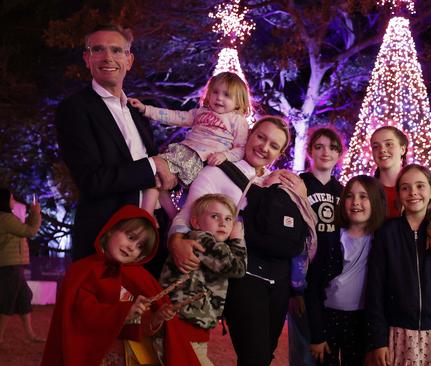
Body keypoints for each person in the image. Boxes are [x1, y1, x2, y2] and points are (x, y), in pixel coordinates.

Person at [167, 116, 312, 365]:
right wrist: (176, 240)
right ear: (250, 135)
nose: (264, 147)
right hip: (240, 276)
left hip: (277, 280)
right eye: (260, 137)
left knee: (265, 355)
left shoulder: (279, 181)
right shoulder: (217, 172)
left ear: (279, 153)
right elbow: (188, 213)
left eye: (274, 146)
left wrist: (302, 196)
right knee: (253, 356)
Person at [56, 24, 177, 266]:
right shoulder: (75, 109)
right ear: (87, 59)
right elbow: (92, 180)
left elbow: (156, 174)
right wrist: (153, 164)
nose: (108, 57)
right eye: (98, 49)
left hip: (151, 241)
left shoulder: (137, 111)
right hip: (107, 240)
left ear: (129, 60)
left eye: (116, 50)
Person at [41, 205, 199, 366]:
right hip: (96, 355)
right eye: (130, 237)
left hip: (129, 357)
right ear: (111, 230)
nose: (132, 248)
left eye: (140, 247)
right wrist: (124, 312)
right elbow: (82, 313)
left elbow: (143, 327)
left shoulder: (140, 278)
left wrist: (156, 318)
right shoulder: (83, 271)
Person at [366, 164, 431, 366]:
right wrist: (378, 340)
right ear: (398, 194)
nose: (413, 192)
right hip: (397, 333)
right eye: (405, 187)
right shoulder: (386, 233)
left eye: (420, 186)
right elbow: (375, 289)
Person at [129, 71, 251, 217]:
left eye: (227, 95)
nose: (219, 98)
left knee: (153, 169)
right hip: (184, 152)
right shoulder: (200, 112)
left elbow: (241, 149)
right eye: (215, 92)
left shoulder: (237, 120)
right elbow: (175, 116)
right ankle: (170, 215)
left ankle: (144, 216)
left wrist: (224, 155)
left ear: (238, 102)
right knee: (156, 180)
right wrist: (146, 109)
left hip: (201, 159)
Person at [305, 175, 386, 365]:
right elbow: (313, 288)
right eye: (349, 196)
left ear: (375, 200)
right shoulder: (330, 238)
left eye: (363, 196)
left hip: (362, 319)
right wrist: (317, 336)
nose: (355, 202)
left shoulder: (383, 238)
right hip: (328, 316)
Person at [158, 193, 247, 365]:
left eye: (229, 219)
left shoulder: (212, 243)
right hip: (183, 322)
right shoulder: (200, 239)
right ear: (196, 222)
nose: (223, 223)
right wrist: (237, 239)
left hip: (191, 323)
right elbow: (237, 268)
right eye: (215, 216)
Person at [288, 126, 345, 366]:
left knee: (327, 351)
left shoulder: (342, 191)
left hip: (331, 280)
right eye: (319, 146)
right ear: (310, 151)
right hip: (303, 278)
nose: (325, 152)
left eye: (332, 147)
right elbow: (289, 237)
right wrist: (293, 289)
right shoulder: (299, 184)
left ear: (339, 153)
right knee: (304, 353)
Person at [0, 189, 43, 344]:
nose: (14, 201)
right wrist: (36, 213)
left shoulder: (6, 217)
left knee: (24, 297)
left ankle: (30, 335)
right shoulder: (5, 218)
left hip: (12, 264)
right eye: (11, 198)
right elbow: (30, 231)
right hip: (9, 264)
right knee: (8, 300)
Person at [370, 126, 408, 218]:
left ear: (402, 149)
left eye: (389, 144)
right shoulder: (367, 190)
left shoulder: (418, 188)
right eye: (376, 146)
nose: (382, 150)